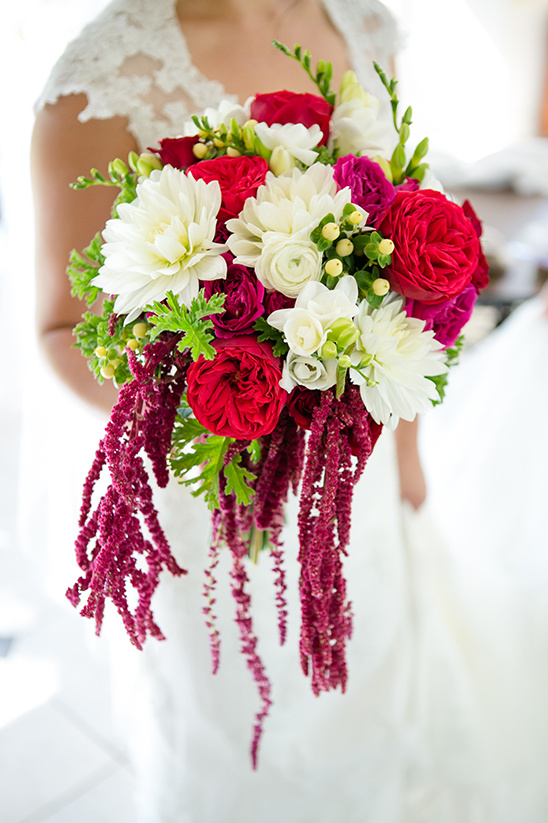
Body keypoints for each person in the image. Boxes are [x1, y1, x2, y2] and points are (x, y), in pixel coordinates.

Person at [30, 1, 502, 820]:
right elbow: (62, 328)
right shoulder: (97, 84)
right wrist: (229, 403)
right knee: (233, 725)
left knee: (370, 681)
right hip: (208, 482)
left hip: (354, 469)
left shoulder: (364, 26)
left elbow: (405, 292)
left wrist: (408, 454)